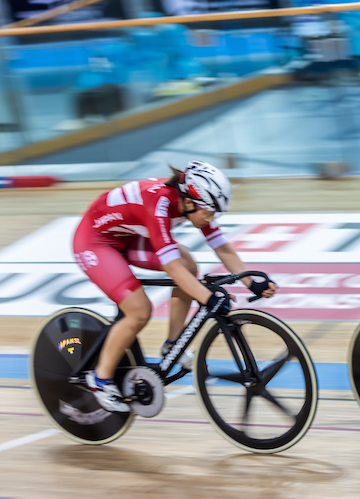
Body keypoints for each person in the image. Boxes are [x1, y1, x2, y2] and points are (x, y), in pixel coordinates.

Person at [72, 161, 277, 412]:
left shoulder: (196, 201)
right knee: (139, 311)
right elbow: (172, 268)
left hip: (129, 235)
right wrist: (207, 297)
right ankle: (100, 380)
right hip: (96, 241)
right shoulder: (159, 204)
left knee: (189, 264)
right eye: (211, 214)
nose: (212, 219)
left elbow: (221, 247)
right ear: (190, 202)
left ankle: (173, 344)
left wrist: (251, 282)